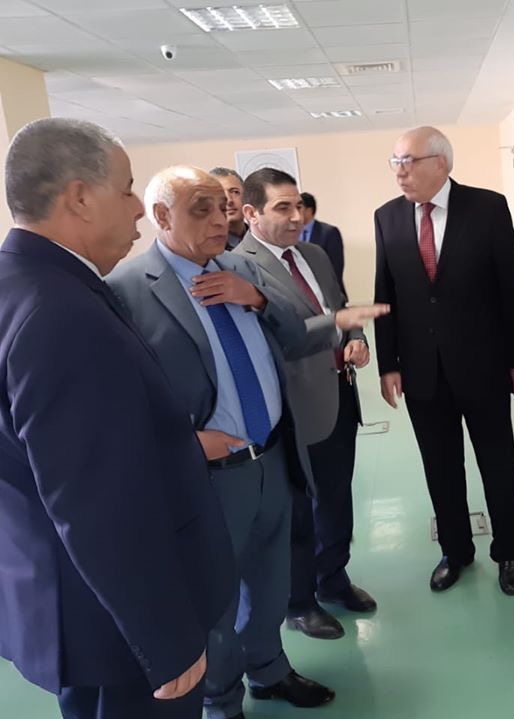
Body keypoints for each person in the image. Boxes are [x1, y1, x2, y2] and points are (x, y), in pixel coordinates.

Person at [107, 166, 385, 719]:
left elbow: (292, 335)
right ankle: (221, 700)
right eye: (201, 209)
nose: (220, 219)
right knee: (216, 598)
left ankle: (270, 670)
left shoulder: (238, 267)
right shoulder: (128, 290)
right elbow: (117, 399)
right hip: (210, 475)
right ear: (161, 216)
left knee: (271, 580)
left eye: (222, 207)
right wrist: (182, 443)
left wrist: (258, 299)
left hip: (273, 455)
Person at [0, 118, 236, 719]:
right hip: (119, 626)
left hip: (71, 599)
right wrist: (164, 639)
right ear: (79, 197)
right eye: (128, 188)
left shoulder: (22, 283)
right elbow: (94, 499)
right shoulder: (60, 314)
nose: (137, 208)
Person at [374, 126, 514, 594]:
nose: (400, 172)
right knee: (440, 467)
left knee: (497, 463)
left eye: (409, 161)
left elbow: (511, 288)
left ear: (441, 163)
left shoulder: (486, 208)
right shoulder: (387, 217)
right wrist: (388, 364)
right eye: (395, 162)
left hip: (483, 365)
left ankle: (509, 552)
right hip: (422, 370)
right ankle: (455, 550)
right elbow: (386, 294)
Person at [234, 169, 375, 641]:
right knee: (298, 511)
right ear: (251, 213)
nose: (297, 217)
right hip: (293, 408)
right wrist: (337, 322)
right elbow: (278, 336)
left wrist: (355, 337)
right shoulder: (240, 268)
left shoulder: (314, 254)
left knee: (337, 497)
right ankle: (300, 602)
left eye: (298, 206)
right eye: (283, 208)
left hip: (339, 393)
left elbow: (340, 306)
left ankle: (333, 578)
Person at [300, 191, 346, 296]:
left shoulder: (329, 232)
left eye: (299, 208)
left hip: (328, 294)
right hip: (303, 295)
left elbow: (336, 267)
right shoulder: (293, 234)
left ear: (309, 210)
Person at [209, 167, 247, 250]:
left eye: (235, 192)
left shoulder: (262, 236)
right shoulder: (207, 248)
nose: (229, 200)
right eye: (220, 193)